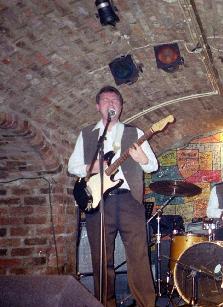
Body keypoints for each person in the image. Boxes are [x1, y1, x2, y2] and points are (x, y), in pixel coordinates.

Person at [68, 86, 157, 307]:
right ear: (98, 106)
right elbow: (73, 166)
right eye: (106, 100)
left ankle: (146, 303)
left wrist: (142, 158)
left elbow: (152, 166)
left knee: (138, 255)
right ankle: (105, 303)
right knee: (101, 258)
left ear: (121, 106)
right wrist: (95, 165)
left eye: (116, 100)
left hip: (129, 200)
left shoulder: (134, 132)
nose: (112, 103)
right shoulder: (87, 134)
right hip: (97, 202)